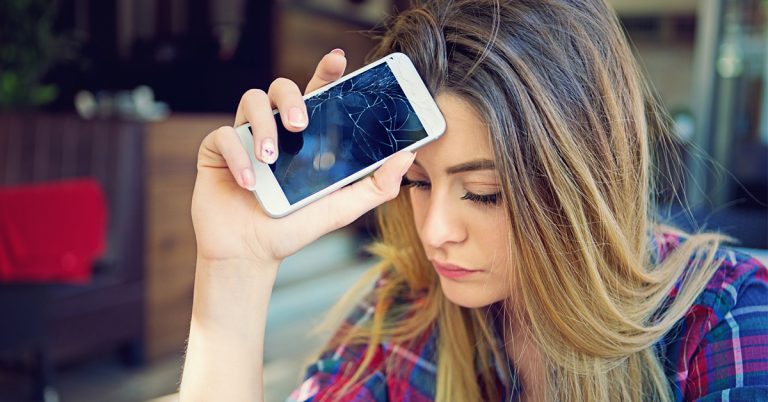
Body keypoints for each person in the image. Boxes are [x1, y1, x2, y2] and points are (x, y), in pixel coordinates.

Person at [179, 0, 768, 400]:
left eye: (484, 194)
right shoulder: (409, 314)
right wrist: (233, 273)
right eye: (417, 182)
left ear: (587, 178)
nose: (436, 231)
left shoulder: (728, 323)